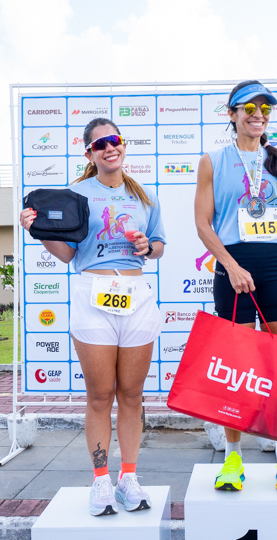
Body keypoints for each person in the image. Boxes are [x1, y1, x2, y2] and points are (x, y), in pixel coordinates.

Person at [20, 118, 167, 515]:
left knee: (132, 395)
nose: (109, 148)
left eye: (114, 140)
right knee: (100, 396)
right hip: (93, 294)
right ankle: (101, 480)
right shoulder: (76, 194)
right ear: (89, 153)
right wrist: (39, 232)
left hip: (136, 295)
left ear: (123, 145)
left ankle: (128, 478)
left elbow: (158, 247)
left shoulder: (144, 196)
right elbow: (69, 254)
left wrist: (147, 246)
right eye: (100, 144)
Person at [194, 80, 277, 491]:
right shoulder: (213, 161)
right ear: (231, 114)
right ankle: (233, 458)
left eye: (265, 108)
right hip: (234, 267)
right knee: (235, 370)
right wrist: (230, 266)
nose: (258, 115)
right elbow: (203, 224)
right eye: (249, 107)